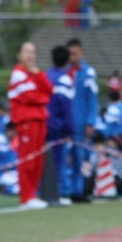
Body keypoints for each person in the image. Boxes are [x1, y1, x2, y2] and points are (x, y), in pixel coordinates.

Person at [8, 41, 54, 209]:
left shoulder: (34, 74)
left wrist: (39, 74)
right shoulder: (18, 74)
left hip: (39, 120)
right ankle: (26, 196)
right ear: (19, 55)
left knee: (37, 160)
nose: (30, 56)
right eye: (26, 52)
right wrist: (44, 98)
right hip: (27, 121)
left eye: (32, 52)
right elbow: (31, 97)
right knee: (27, 159)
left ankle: (32, 194)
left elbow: (48, 90)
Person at [66, 38, 98, 201]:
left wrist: (90, 121)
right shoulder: (65, 72)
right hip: (66, 123)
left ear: (81, 53)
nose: (73, 57)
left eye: (75, 53)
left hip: (81, 123)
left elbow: (92, 99)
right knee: (66, 157)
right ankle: (65, 189)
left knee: (80, 157)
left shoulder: (88, 73)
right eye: (70, 54)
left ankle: (79, 190)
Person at [45, 44, 76, 207]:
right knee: (58, 162)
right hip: (58, 127)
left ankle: (42, 192)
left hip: (44, 124)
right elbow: (66, 107)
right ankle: (58, 193)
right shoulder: (64, 79)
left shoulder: (45, 76)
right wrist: (69, 128)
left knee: (43, 161)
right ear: (67, 60)